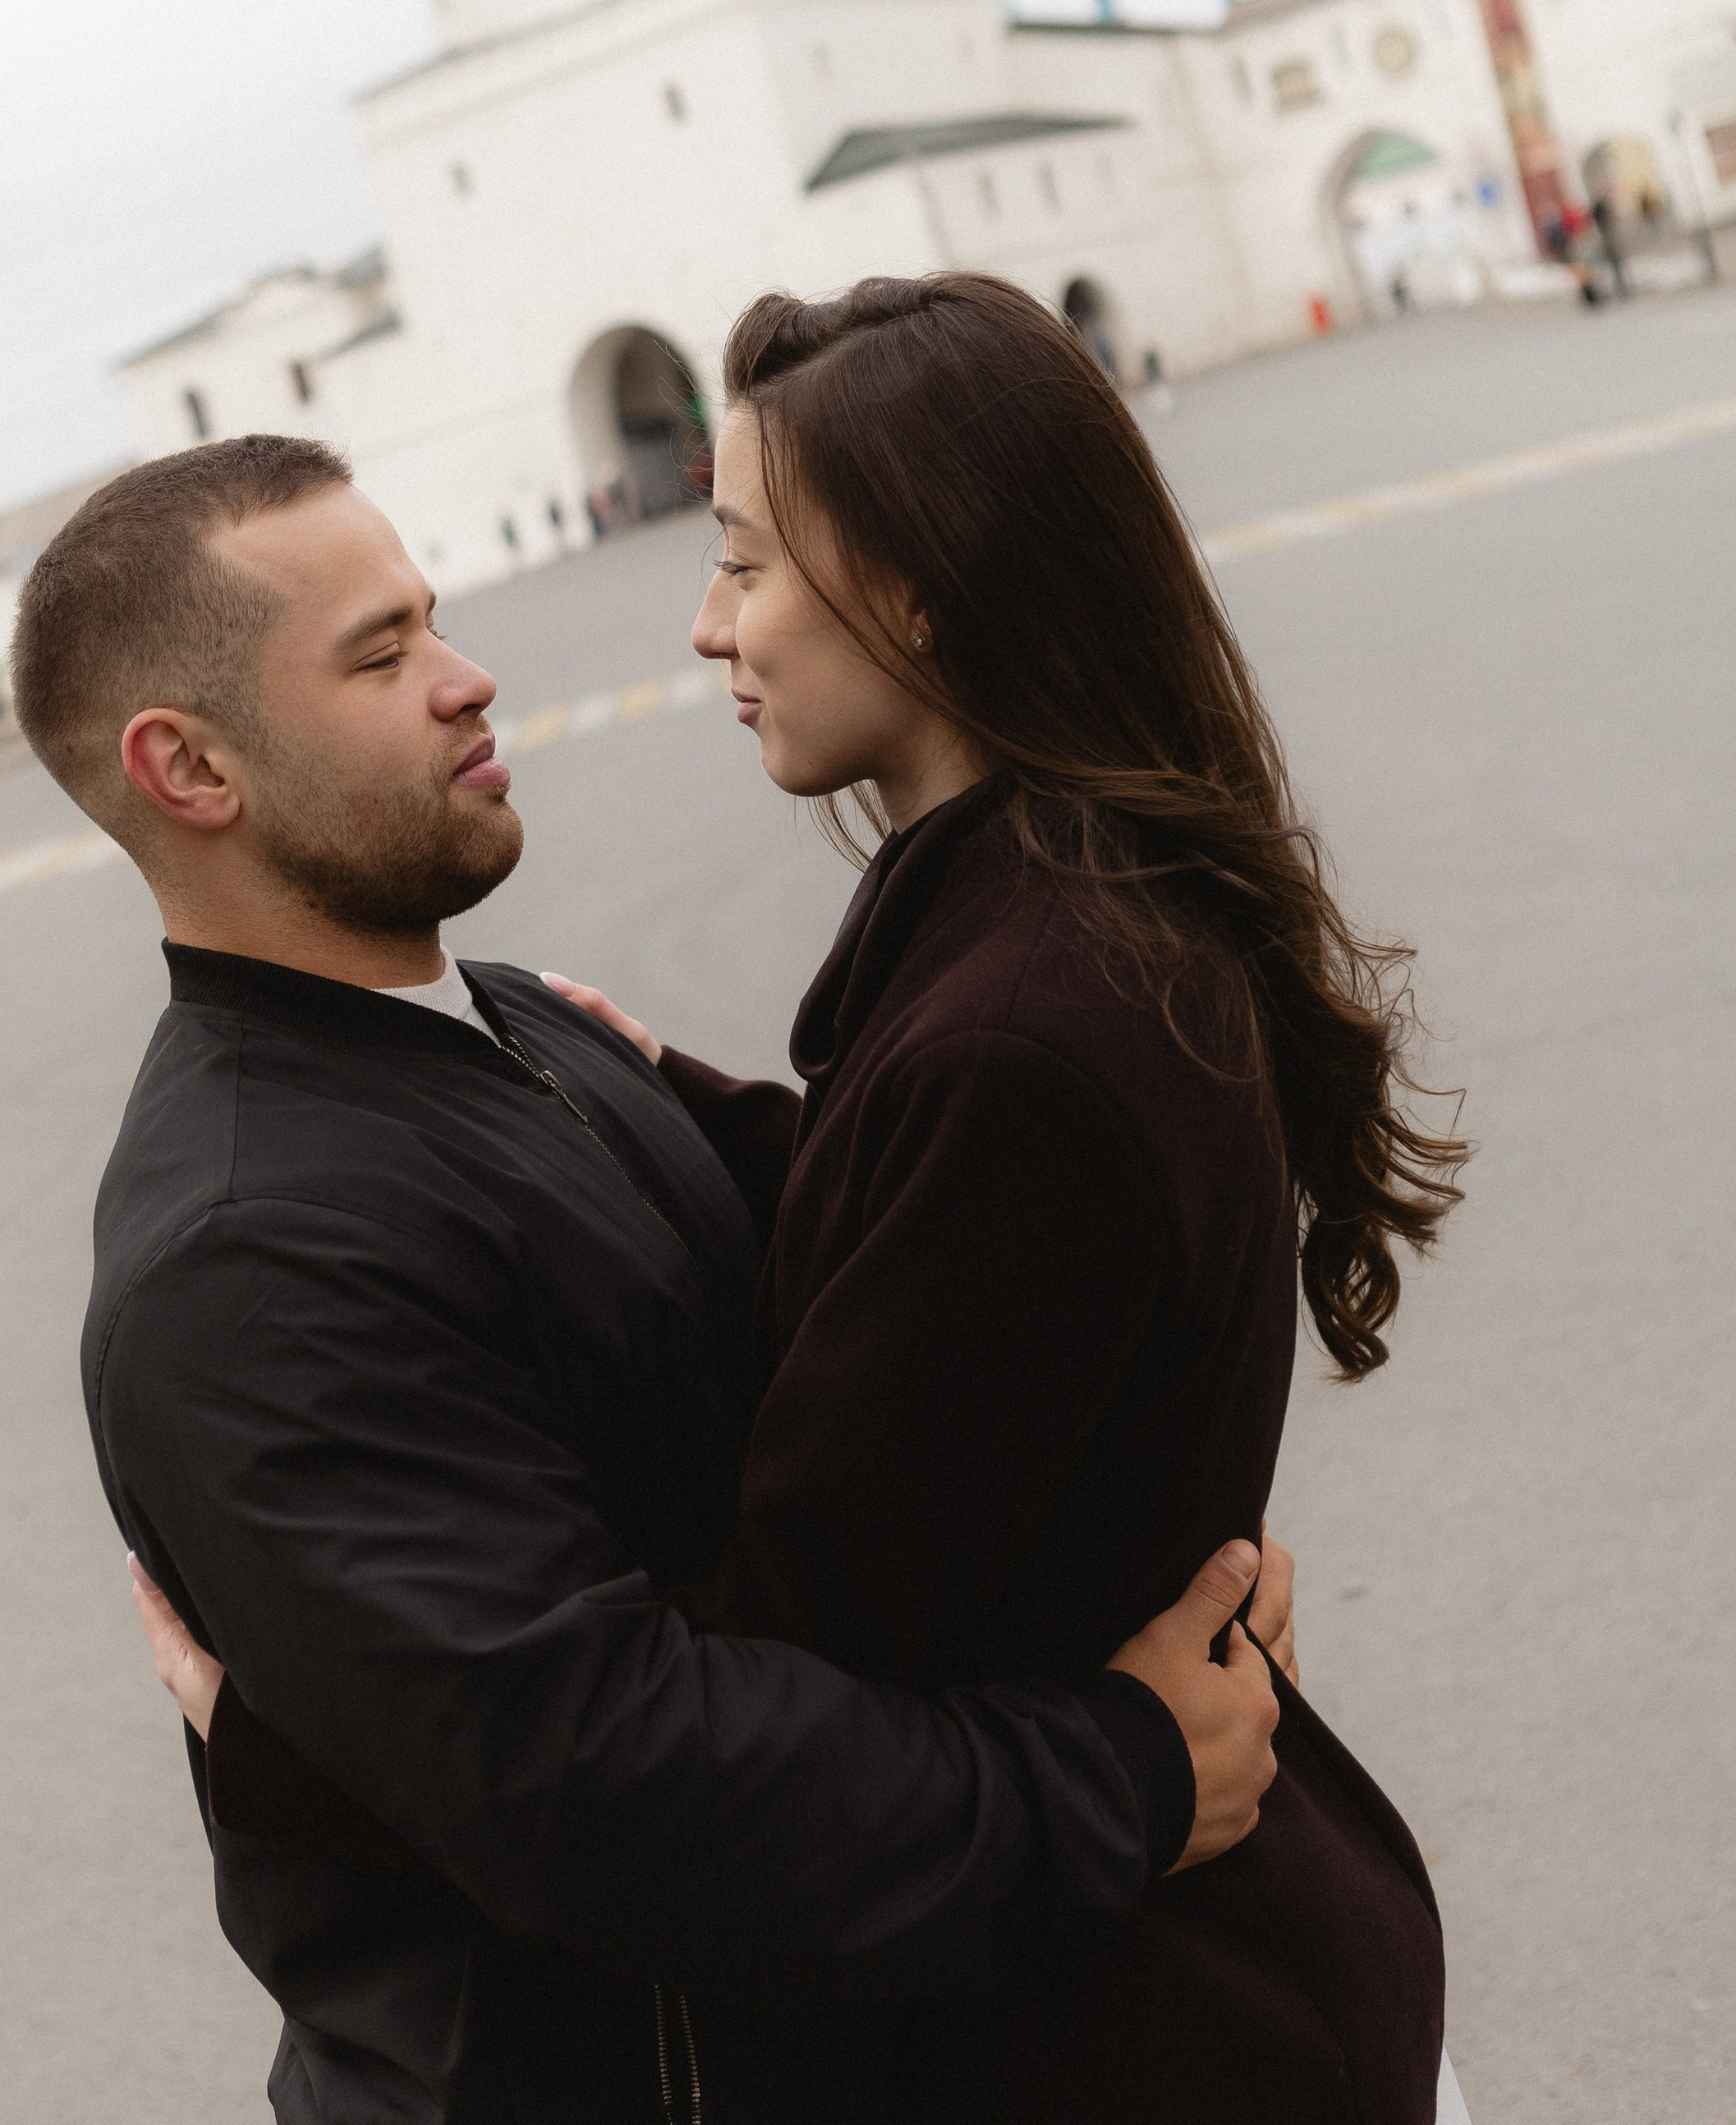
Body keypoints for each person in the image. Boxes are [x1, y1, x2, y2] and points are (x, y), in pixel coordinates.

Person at [137, 278, 1471, 2122]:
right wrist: (654, 1110)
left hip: (1154, 2025)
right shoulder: (1058, 917)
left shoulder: (1017, 1035)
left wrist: (317, 1733)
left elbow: (765, 1694)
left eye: (744, 561)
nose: (706, 623)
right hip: (1209, 1963)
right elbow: (912, 1263)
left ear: (915, 589)